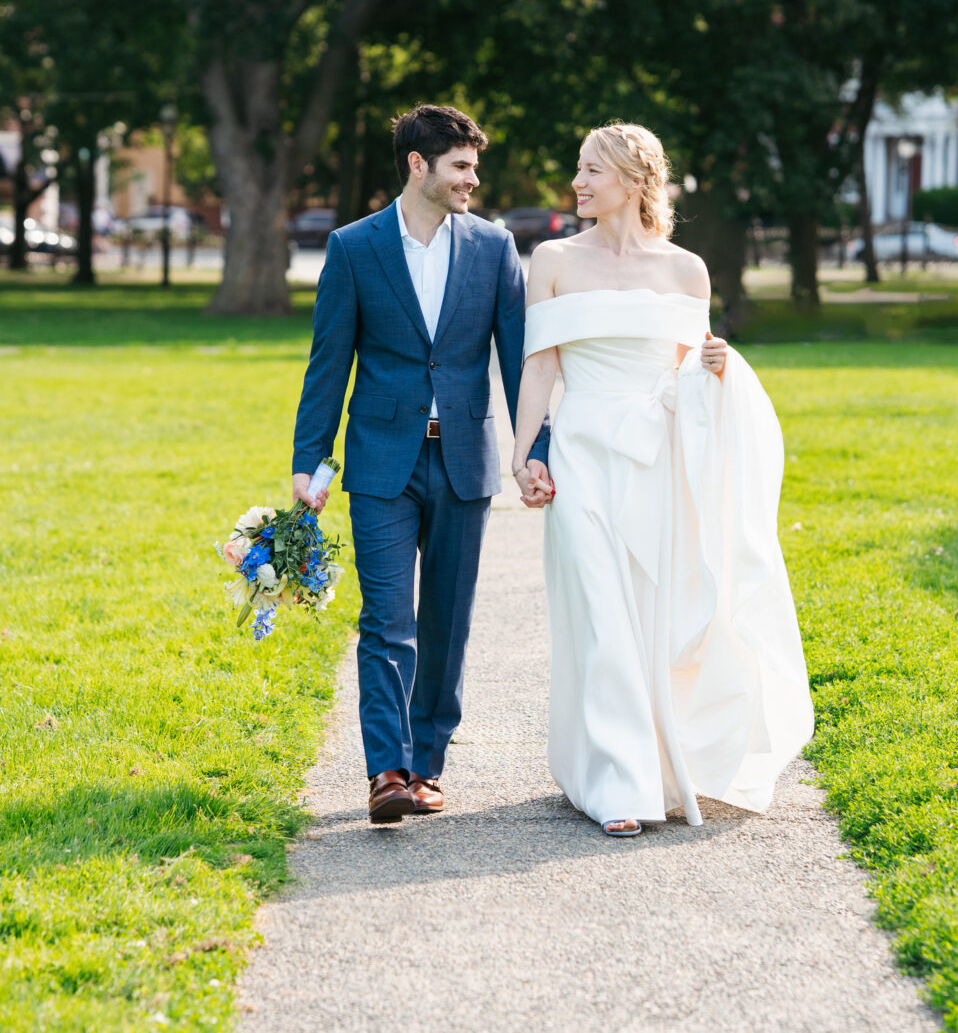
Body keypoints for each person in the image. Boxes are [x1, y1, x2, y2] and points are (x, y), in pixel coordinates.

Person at [509, 123, 813, 837]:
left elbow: (691, 370)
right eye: (578, 170)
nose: (578, 182)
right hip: (583, 451)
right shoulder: (551, 259)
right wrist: (525, 455)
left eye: (591, 171)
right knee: (602, 612)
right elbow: (541, 366)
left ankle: (658, 764)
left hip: (658, 458)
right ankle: (617, 781)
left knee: (652, 616)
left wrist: (717, 368)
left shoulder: (687, 271)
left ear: (635, 180)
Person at [292, 105, 550, 824]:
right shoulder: (353, 248)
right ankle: (387, 771)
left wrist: (537, 450)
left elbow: (520, 359)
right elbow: (328, 360)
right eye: (461, 166)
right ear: (418, 165)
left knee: (447, 619)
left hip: (465, 461)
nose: (473, 179)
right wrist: (310, 455)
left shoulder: (496, 248)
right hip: (380, 462)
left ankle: (428, 762)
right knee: (386, 620)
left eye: (473, 167)